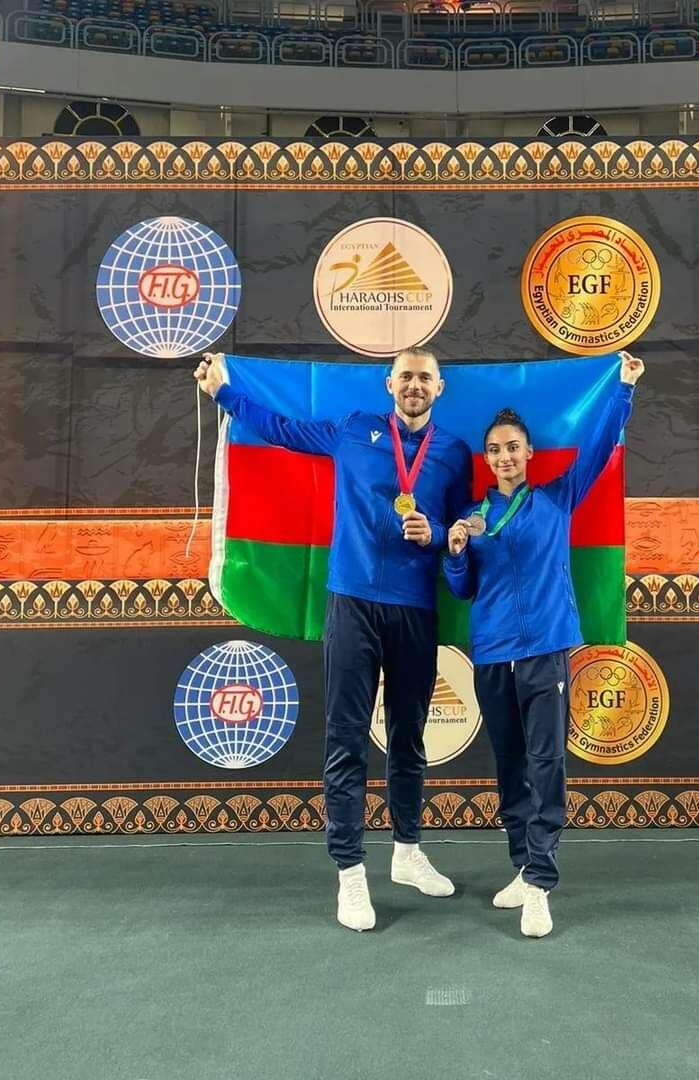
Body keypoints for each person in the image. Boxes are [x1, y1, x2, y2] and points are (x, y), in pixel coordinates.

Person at [194, 348, 472, 932]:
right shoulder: (352, 430)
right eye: (405, 376)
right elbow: (280, 428)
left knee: (408, 736)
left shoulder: (453, 452)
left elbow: (461, 526)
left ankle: (407, 851)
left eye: (424, 377)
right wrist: (224, 392)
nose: (414, 385)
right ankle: (350, 872)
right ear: (388, 383)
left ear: (440, 387)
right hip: (351, 601)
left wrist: (436, 530)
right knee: (346, 737)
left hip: (415, 608)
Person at [442, 351, 644, 938]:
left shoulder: (556, 498)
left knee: (546, 762)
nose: (504, 456)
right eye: (495, 449)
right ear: (487, 459)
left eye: (513, 447)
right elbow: (462, 589)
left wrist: (624, 390)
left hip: (545, 650)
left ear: (529, 453)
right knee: (509, 765)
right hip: (491, 655)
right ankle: (520, 865)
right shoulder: (473, 516)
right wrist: (455, 553)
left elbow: (600, 446)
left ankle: (541, 882)